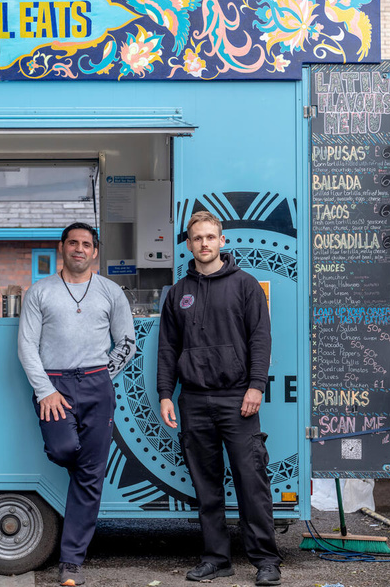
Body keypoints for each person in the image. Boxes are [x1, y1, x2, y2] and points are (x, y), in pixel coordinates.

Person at [156, 211, 282, 586]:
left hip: (237, 399)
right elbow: (167, 348)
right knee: (206, 486)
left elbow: (261, 338)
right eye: (197, 238)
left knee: (251, 482)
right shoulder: (178, 293)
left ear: (222, 241)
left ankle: (266, 561)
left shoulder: (245, 286)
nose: (205, 243)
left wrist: (256, 385)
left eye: (211, 237)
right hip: (193, 400)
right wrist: (166, 393)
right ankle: (216, 559)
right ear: (189, 244)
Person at [18, 222, 136, 587]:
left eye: (86, 244)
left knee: (91, 476)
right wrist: (45, 391)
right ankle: (83, 473)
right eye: (73, 243)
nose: (80, 249)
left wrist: (103, 375)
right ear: (62, 248)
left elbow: (127, 342)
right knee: (64, 448)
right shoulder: (40, 292)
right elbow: (26, 347)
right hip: (53, 384)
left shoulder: (111, 292)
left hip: (97, 383)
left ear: (95, 251)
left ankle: (71, 562)